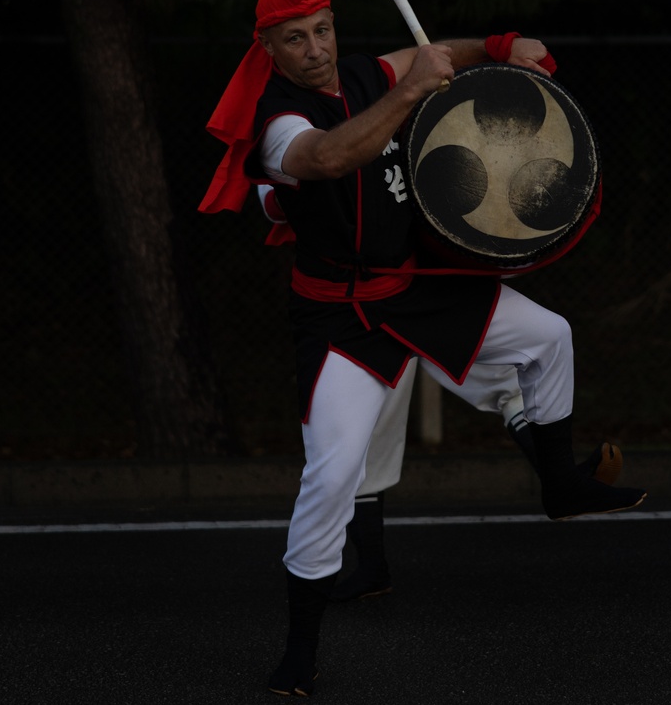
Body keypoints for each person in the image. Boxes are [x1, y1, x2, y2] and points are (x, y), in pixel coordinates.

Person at [199, 0, 646, 697]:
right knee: (334, 472)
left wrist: (500, 45)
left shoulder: (358, 71)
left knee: (549, 335)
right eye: (294, 38)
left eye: (322, 28)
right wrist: (410, 91)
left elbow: (440, 52)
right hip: (342, 318)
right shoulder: (276, 119)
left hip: (415, 288)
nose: (314, 49)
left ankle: (561, 484)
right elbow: (327, 158)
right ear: (268, 47)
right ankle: (300, 649)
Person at [257, 185, 625, 604]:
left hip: (424, 283)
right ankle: (371, 567)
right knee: (362, 441)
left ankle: (562, 480)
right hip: (359, 307)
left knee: (508, 376)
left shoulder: (397, 122)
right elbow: (273, 202)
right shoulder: (306, 123)